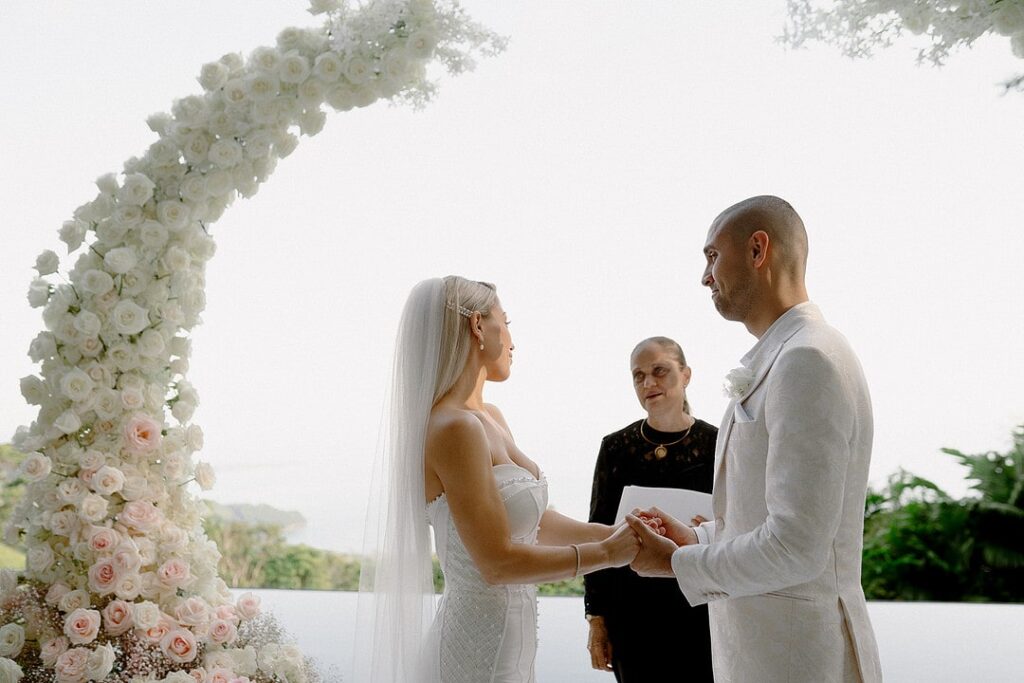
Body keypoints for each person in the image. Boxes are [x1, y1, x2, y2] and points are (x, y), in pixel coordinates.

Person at [626, 196, 883, 682]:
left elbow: (797, 546)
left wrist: (678, 563)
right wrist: (699, 536)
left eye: (712, 256)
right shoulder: (787, 355)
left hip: (795, 658)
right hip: (765, 652)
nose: (705, 277)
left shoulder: (808, 360)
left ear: (758, 250)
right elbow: (770, 517)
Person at [355, 276, 641, 683]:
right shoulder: (453, 428)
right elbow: (497, 564)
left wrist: (620, 534)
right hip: (476, 655)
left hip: (513, 649)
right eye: (505, 322)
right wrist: (609, 555)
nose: (512, 340)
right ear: (477, 326)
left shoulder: (490, 418)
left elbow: (537, 521)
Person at [584, 336, 715, 681]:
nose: (648, 383)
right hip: (632, 613)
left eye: (660, 371)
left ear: (686, 375)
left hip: (700, 609)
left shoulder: (720, 444)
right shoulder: (615, 447)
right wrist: (597, 620)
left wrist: (716, 527)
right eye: (638, 375)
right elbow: (597, 531)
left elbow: (742, 523)